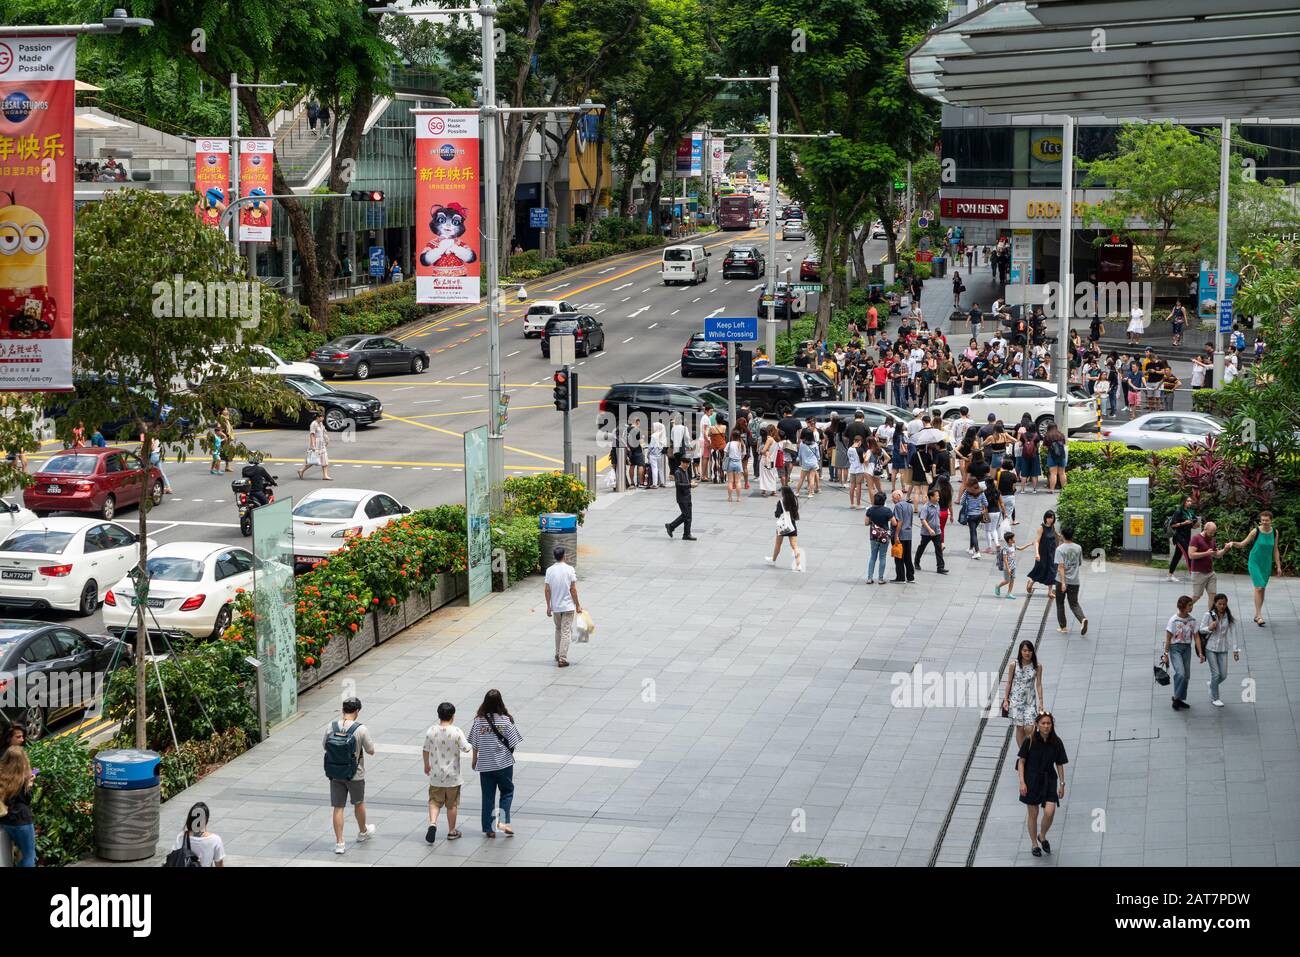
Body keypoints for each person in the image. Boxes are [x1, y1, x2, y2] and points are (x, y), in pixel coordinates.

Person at [323, 696, 376, 855]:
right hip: (355, 774)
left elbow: (325, 745)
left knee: (338, 807)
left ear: (343, 710)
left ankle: (340, 843)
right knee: (358, 803)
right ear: (357, 711)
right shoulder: (360, 729)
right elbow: (371, 750)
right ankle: (362, 832)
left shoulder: (331, 727)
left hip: (335, 773)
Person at [469, 690, 521, 838]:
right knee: (507, 792)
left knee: (487, 797)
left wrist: (474, 759)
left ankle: (489, 829)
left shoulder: (479, 721)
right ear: (500, 702)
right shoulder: (505, 720)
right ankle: (503, 822)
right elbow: (513, 742)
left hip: (485, 765)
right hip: (504, 765)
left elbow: (474, 743)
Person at [1016, 712, 1068, 858]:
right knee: (1033, 814)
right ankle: (1034, 844)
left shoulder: (1056, 742)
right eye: (1043, 723)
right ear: (1038, 724)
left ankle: (1042, 835)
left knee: (1050, 811)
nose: (1046, 726)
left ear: (1052, 725)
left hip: (1049, 779)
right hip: (1031, 780)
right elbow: (1021, 761)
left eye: (1049, 723)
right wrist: (1022, 782)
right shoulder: (1030, 740)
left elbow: (1059, 763)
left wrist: (1062, 783)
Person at [422, 702, 470, 843]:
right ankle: (451, 831)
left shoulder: (431, 730)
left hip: (436, 775)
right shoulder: (456, 731)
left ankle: (432, 823)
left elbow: (425, 749)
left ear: (438, 715)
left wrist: (427, 765)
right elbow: (466, 748)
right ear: (452, 716)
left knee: (434, 802)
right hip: (453, 777)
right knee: (452, 804)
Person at [1230, 512, 1281, 627]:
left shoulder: (1274, 532)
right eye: (1262, 520)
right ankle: (1259, 616)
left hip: (1266, 564)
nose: (1264, 522)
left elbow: (1275, 550)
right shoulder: (1255, 531)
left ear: (1271, 520)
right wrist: (1233, 543)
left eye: (1266, 520)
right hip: (1254, 562)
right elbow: (1243, 544)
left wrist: (1278, 566)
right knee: (1258, 587)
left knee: (1262, 589)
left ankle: (1257, 614)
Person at [1196, 594, 1242, 709]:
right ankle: (1215, 698)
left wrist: (1235, 650)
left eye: (1224, 604)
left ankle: (1211, 684)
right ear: (1215, 604)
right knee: (1215, 674)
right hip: (1210, 647)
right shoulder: (1208, 615)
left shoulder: (1228, 616)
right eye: (1220, 604)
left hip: (1223, 648)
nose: (1222, 606)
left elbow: (1234, 633)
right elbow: (1200, 630)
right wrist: (1209, 628)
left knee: (1224, 675)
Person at [543, 545, 581, 667]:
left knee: (558, 629)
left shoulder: (549, 570)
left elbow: (547, 589)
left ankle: (558, 653)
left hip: (556, 607)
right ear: (564, 556)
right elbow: (573, 589)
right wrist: (578, 605)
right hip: (568, 606)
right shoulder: (570, 569)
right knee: (565, 632)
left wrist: (548, 606)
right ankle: (562, 658)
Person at [1003, 640, 1045, 749]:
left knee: (1030, 728)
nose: (1027, 653)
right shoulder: (1014, 665)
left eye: (1029, 651)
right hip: (1016, 701)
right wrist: (1006, 699)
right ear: (1020, 651)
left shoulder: (1037, 666)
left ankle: (1029, 748)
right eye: (1024, 650)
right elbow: (1009, 683)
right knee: (1020, 728)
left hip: (1030, 701)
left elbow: (1039, 684)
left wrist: (1041, 701)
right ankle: (1023, 754)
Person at [0, 744, 35, 866]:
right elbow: (27, 800)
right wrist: (29, 785)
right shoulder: (21, 779)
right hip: (22, 820)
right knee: (29, 855)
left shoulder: (2, 776)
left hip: (6, 820)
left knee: (18, 854)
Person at [1188, 520, 1232, 615]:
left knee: (1213, 595)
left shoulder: (1212, 539)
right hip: (1198, 572)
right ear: (1205, 529)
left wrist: (1225, 549)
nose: (1212, 535)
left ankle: (1211, 615)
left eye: (1213, 533)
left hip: (1210, 572)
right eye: (1210, 532)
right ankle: (1183, 608)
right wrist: (1206, 553)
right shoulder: (1196, 538)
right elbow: (1191, 555)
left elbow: (1217, 555)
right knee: (1197, 596)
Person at [1162, 595, 1198, 711]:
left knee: (1186, 676)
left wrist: (1201, 653)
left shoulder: (1192, 620)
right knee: (1181, 673)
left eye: (1191, 604)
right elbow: (1168, 638)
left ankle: (1179, 700)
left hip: (1187, 648)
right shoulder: (1173, 620)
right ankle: (1176, 698)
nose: (1192, 607)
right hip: (1175, 648)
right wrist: (1165, 654)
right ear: (1183, 606)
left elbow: (1196, 637)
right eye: (1190, 605)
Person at [1054, 524, 1088, 634]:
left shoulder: (1059, 549)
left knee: (1060, 603)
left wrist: (1063, 582)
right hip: (1075, 581)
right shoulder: (1078, 547)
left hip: (1061, 581)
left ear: (1062, 535)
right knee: (1074, 603)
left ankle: (1063, 627)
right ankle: (1082, 619)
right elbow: (1080, 563)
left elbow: (1061, 567)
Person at [171, 802, 225, 867]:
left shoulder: (182, 836)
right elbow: (219, 865)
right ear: (206, 820)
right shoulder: (215, 840)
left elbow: (174, 859)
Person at [767, 485, 804, 571]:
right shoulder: (794, 499)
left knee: (778, 544)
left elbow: (777, 514)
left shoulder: (781, 502)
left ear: (783, 493)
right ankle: (798, 565)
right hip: (792, 525)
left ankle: (773, 560)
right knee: (794, 546)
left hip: (783, 526)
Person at [1024, 510, 1058, 599]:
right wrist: (1037, 553)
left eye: (1052, 518)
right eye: (1049, 517)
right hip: (1043, 553)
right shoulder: (1041, 528)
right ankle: (1031, 582)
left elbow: (1056, 536)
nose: (1050, 519)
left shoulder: (1053, 527)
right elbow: (1037, 541)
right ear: (1045, 518)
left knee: (1052, 571)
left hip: (1052, 553)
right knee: (1040, 570)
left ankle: (1050, 592)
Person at [914, 486, 946, 575]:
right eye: (937, 496)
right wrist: (929, 529)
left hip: (937, 532)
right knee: (922, 547)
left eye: (938, 496)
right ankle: (916, 562)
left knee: (938, 549)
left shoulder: (937, 505)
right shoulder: (925, 507)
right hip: (927, 533)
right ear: (931, 497)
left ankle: (940, 567)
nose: (938, 497)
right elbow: (922, 519)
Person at [864, 491, 893, 585]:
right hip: (884, 536)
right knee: (882, 557)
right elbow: (894, 522)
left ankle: (869, 577)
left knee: (873, 556)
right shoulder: (887, 510)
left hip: (874, 536)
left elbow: (866, 523)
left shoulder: (870, 510)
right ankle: (880, 578)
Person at [664, 455, 696, 540]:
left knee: (689, 517)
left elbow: (687, 480)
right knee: (685, 515)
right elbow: (678, 485)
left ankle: (687, 534)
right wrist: (690, 485)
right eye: (685, 463)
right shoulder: (678, 472)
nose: (687, 465)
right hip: (682, 498)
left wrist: (691, 482)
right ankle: (671, 526)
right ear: (681, 462)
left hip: (688, 496)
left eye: (688, 464)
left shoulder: (685, 470)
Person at [1166, 496, 1197, 581]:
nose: (1190, 502)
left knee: (1177, 556)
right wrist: (1183, 523)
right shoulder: (1179, 511)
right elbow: (1172, 525)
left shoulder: (1190, 512)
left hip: (1187, 537)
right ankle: (1193, 575)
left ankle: (1170, 575)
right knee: (1189, 554)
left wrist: (1194, 525)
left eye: (1191, 501)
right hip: (1179, 537)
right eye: (1188, 501)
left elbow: (1193, 523)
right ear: (1183, 502)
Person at [956, 477, 988, 559]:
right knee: (973, 531)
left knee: (973, 533)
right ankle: (970, 548)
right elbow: (986, 503)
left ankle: (977, 551)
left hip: (971, 515)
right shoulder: (981, 492)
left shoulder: (967, 492)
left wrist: (968, 503)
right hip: (979, 515)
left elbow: (962, 502)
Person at [994, 530, 1031, 598]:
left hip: (1013, 566)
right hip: (1007, 567)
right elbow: (1005, 559)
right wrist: (1008, 569)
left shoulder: (1013, 546)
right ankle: (998, 586)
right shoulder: (1005, 549)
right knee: (1007, 581)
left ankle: (1009, 593)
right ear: (1009, 540)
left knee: (1012, 579)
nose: (1014, 539)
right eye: (1013, 538)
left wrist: (1028, 545)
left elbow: (1020, 548)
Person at [298, 411, 332, 480]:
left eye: (323, 417)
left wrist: (327, 439)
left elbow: (323, 432)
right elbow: (312, 435)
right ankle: (301, 470)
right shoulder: (313, 424)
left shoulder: (321, 423)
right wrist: (313, 445)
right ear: (317, 417)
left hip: (322, 443)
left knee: (325, 458)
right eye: (322, 417)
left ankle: (325, 475)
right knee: (313, 459)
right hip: (316, 443)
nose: (323, 418)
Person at [793, 428, 820, 499]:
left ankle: (797, 492)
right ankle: (810, 493)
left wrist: (800, 462)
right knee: (811, 478)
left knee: (801, 479)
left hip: (805, 463)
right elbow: (818, 455)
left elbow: (800, 455)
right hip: (813, 463)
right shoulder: (815, 444)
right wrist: (818, 460)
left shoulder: (802, 444)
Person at [724, 429, 747, 502]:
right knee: (738, 481)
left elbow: (725, 453)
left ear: (732, 436)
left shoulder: (729, 443)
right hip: (738, 463)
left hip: (730, 463)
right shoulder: (741, 444)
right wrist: (740, 458)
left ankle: (730, 497)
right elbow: (744, 454)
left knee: (730, 481)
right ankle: (738, 498)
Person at [1043, 424, 1067, 492]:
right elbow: (1064, 444)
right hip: (1061, 455)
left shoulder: (1047, 435)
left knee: (1053, 473)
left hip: (1052, 455)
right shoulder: (1061, 435)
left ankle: (1052, 489)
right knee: (1062, 473)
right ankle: (1064, 489)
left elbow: (1044, 447)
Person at [758, 425, 780, 496]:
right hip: (772, 460)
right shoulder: (776, 439)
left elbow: (764, 450)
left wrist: (760, 451)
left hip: (765, 460)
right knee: (772, 475)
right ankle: (773, 491)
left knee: (764, 475)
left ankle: (764, 491)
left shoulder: (769, 439)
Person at [846, 434, 867, 509]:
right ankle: (858, 504)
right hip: (859, 470)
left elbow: (849, 458)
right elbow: (862, 461)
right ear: (860, 441)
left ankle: (852, 503)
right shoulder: (860, 450)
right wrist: (864, 456)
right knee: (858, 486)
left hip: (852, 469)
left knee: (852, 486)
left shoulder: (849, 449)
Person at [648, 420, 668, 488]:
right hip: (661, 454)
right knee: (661, 468)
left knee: (654, 468)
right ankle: (662, 482)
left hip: (653, 454)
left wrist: (648, 452)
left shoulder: (654, 435)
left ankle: (654, 484)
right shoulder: (663, 435)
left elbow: (651, 446)